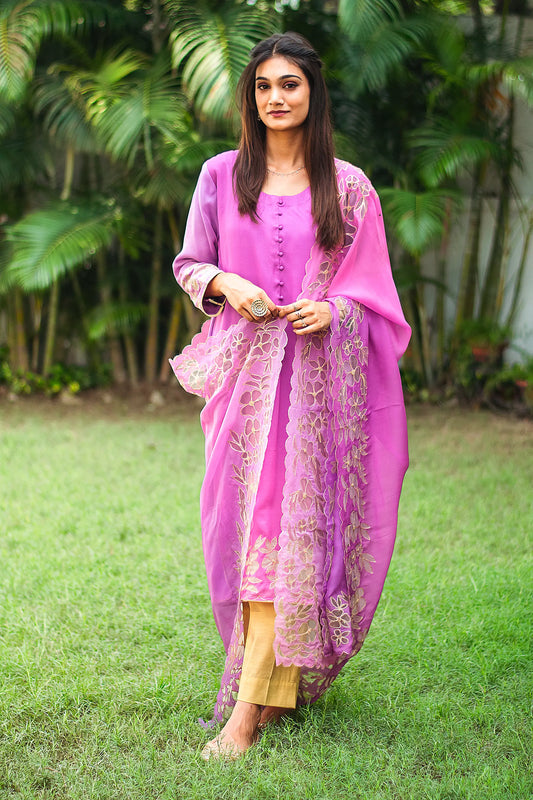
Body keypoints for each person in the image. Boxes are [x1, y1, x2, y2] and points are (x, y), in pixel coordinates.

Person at [170, 32, 411, 760]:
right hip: (243, 388)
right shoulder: (219, 176)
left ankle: (245, 717)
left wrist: (333, 311)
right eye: (264, 85)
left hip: (315, 393)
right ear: (250, 96)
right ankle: (269, 688)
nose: (276, 97)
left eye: (291, 85)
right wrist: (223, 283)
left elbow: (373, 296)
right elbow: (188, 263)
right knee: (237, 537)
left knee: (285, 540)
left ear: (313, 94)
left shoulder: (349, 186)